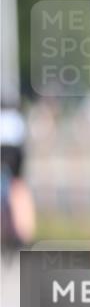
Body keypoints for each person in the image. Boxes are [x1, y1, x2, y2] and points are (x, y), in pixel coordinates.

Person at [1, 100, 36, 251]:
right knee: (18, 193)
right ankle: (21, 234)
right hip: (15, 155)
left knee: (14, 194)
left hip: (8, 154)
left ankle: (16, 233)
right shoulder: (17, 118)